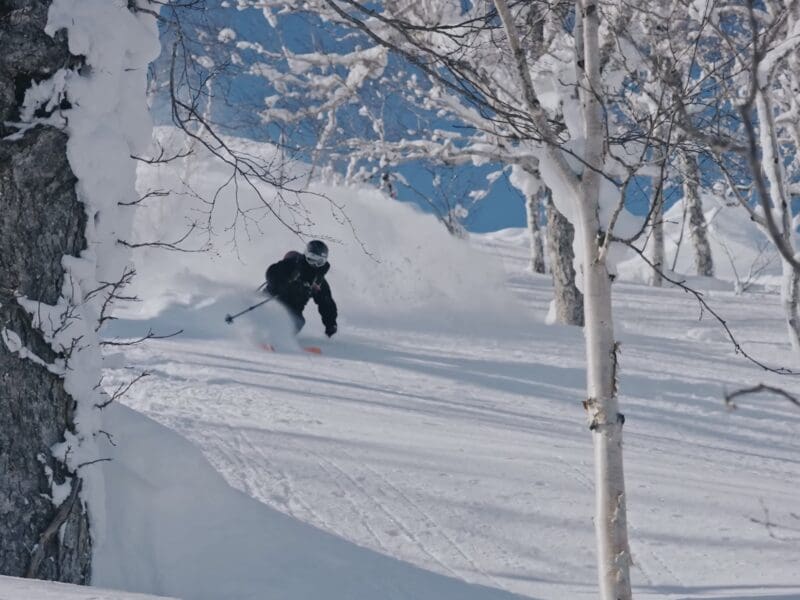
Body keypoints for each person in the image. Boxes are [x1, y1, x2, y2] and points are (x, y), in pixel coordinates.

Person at [265, 240, 338, 337]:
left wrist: (331, 324)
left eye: (319, 262)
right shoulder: (292, 265)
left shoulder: (318, 282)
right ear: (306, 254)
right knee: (268, 313)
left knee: (299, 321)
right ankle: (257, 333)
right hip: (272, 300)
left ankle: (279, 339)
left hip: (293, 310)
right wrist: (280, 285)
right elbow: (271, 272)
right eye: (312, 258)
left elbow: (326, 302)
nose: (315, 264)